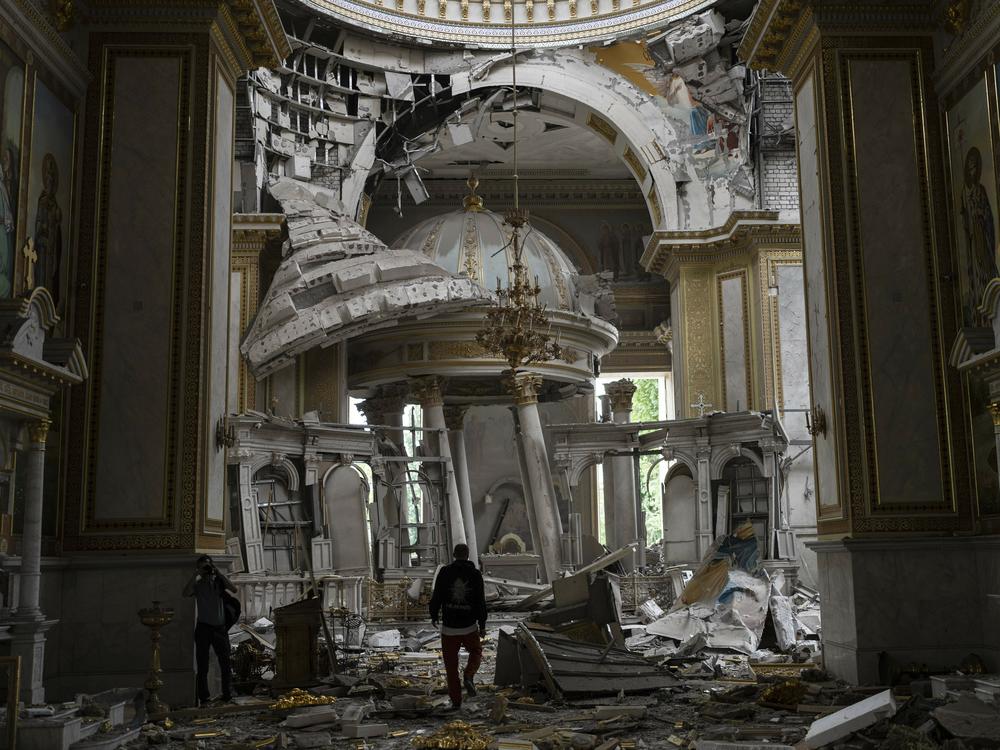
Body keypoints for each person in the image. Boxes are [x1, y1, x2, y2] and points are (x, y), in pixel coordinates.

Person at [429, 543, 487, 709]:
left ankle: (456, 702)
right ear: (468, 555)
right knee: (476, 651)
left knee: (451, 666)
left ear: (454, 555)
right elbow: (480, 601)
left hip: (449, 628)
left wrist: (433, 614)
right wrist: (482, 624)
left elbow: (437, 595)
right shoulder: (475, 574)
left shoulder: (445, 572)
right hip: (469, 626)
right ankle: (469, 675)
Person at [182, 554, 237, 707]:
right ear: (199, 568)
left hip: (219, 628)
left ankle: (227, 695)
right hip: (203, 628)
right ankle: (204, 698)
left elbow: (234, 589)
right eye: (203, 566)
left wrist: (218, 573)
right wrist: (196, 574)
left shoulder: (219, 582)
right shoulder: (198, 585)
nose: (207, 569)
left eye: (208, 565)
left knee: (225, 663)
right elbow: (185, 593)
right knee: (202, 664)